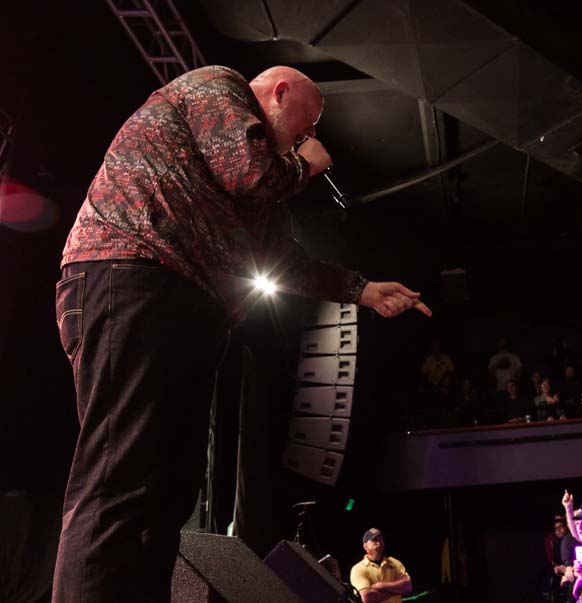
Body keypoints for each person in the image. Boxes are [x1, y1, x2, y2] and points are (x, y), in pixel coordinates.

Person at [52, 65, 431, 602]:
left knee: (170, 489)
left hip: (188, 305)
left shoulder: (261, 182)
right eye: (306, 125)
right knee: (121, 477)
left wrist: (364, 289)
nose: (308, 138)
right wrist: (304, 164)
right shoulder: (219, 87)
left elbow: (283, 259)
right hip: (131, 276)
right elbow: (249, 172)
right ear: (279, 93)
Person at [349, 528, 412, 603]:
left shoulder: (395, 563)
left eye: (381, 539)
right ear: (365, 546)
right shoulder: (358, 569)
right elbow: (366, 597)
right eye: (374, 540)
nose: (379, 542)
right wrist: (395, 590)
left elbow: (407, 586)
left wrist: (380, 586)